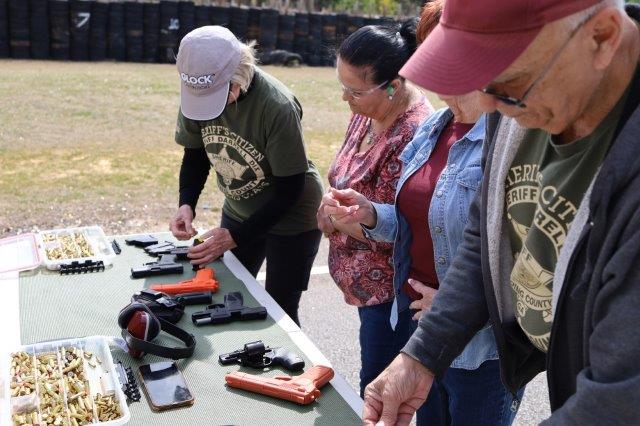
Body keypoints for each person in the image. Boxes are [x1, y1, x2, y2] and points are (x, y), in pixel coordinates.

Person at [361, 0, 640, 424]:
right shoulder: (514, 102)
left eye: (509, 84)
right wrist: (421, 355)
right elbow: (487, 235)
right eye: (480, 83)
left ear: (602, 36)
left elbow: (621, 398)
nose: (490, 108)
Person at [323, 2, 522, 424]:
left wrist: (462, 311)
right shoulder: (436, 129)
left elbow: (527, 258)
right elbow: (422, 223)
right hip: (422, 333)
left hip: (478, 346)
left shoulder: (509, 137)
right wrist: (373, 215)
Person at [170, 26, 323, 326]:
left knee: (279, 311)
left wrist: (234, 237)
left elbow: (290, 190)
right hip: (240, 209)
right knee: (226, 293)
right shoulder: (197, 94)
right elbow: (196, 153)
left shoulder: (277, 106)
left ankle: (292, 371)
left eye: (219, 95)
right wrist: (186, 203)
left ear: (239, 74)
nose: (210, 107)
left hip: (292, 217)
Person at [316, 20, 434, 397]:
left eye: (354, 90)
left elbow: (398, 230)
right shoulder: (367, 110)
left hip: (391, 297)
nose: (345, 98)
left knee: (378, 392)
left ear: (394, 86)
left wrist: (333, 216)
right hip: (364, 290)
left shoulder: (413, 132)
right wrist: (329, 206)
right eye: (342, 86)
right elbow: (344, 178)